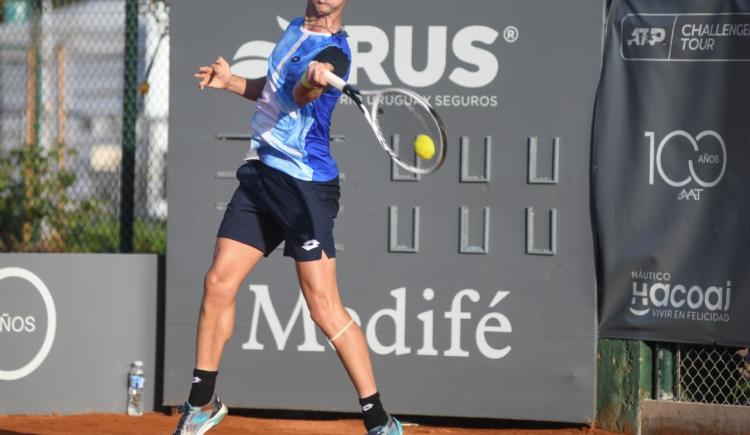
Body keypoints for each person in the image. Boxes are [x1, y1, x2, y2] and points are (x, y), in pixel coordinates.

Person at [172, 1, 403, 434]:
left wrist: (313, 81)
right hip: (262, 173)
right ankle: (201, 402)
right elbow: (274, 90)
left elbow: (299, 94)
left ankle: (379, 420)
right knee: (218, 281)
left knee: (324, 308)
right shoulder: (296, 27)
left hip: (304, 189)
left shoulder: (336, 54)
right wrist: (230, 82)